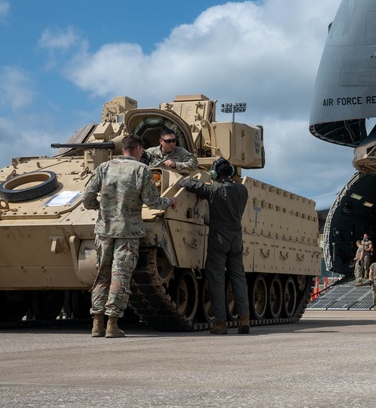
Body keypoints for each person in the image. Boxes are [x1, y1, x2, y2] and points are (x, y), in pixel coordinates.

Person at [83, 134, 174, 338]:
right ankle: (112, 324)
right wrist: (170, 201)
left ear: (122, 149)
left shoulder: (104, 168)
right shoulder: (141, 170)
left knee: (102, 275)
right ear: (139, 150)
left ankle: (97, 323)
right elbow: (152, 202)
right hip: (128, 231)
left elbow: (87, 199)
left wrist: (104, 208)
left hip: (104, 230)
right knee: (120, 275)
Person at [180, 157, 251, 334]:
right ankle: (244, 319)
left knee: (217, 279)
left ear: (214, 173)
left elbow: (186, 182)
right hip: (236, 238)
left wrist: (204, 181)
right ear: (232, 173)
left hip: (219, 238)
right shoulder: (242, 189)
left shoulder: (213, 189)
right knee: (238, 278)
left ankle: (220, 323)